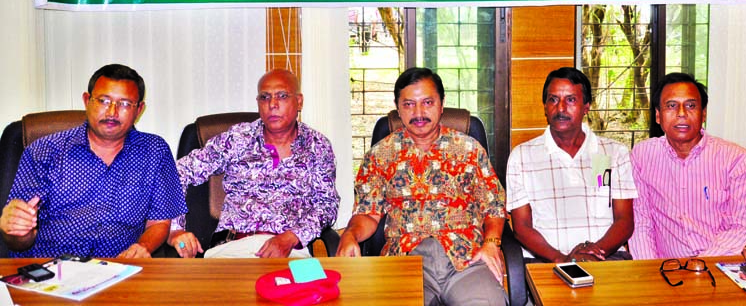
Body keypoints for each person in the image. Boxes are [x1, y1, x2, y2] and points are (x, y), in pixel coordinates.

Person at [337, 67, 508, 306]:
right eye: (408, 104)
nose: (419, 113)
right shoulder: (380, 155)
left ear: (441, 104)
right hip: (405, 259)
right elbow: (368, 213)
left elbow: (494, 207)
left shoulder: (469, 149)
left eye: (427, 102)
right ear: (398, 107)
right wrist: (350, 235)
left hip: (465, 257)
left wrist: (491, 244)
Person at [0, 64, 186, 258]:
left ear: (139, 109)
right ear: (87, 101)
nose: (112, 112)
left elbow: (159, 223)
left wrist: (143, 247)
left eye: (124, 104)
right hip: (50, 270)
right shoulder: (44, 151)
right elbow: (18, 241)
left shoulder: (154, 151)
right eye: (104, 101)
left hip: (119, 269)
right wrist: (15, 229)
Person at [168, 69, 339, 258]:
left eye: (282, 96)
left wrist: (293, 237)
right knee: (223, 288)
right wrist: (175, 229)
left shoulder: (318, 146)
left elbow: (327, 205)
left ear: (299, 101)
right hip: (233, 249)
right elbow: (178, 172)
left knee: (313, 286)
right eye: (264, 97)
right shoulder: (238, 138)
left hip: (291, 250)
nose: (272, 105)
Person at [506, 67, 637, 264]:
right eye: (553, 99)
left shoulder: (611, 153)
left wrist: (593, 254)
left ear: (586, 107)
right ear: (545, 106)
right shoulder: (522, 157)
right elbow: (522, 227)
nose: (560, 108)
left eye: (570, 100)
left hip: (605, 257)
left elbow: (624, 221)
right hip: (547, 261)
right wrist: (564, 259)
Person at [630, 72, 746, 259]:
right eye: (671, 106)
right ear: (658, 115)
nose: (681, 114)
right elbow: (641, 222)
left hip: (720, 266)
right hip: (666, 271)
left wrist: (697, 266)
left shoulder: (737, 160)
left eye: (691, 106)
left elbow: (743, 227)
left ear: (703, 114)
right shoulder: (642, 156)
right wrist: (650, 271)